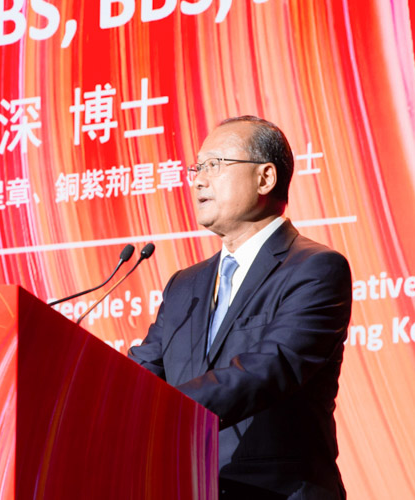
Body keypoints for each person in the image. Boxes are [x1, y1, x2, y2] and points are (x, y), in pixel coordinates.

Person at [128, 116, 352, 499]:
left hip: (277, 491)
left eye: (214, 165)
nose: (198, 180)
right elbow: (144, 371)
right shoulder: (185, 285)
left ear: (265, 178)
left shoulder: (314, 268)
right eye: (197, 168)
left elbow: (270, 368)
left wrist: (166, 413)